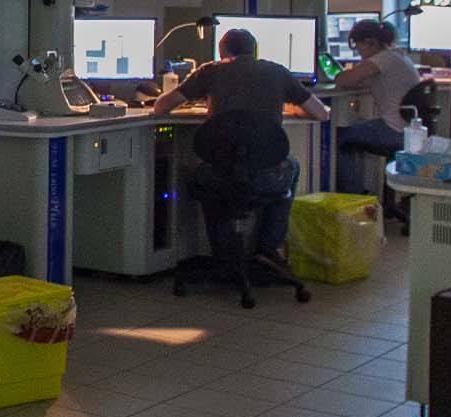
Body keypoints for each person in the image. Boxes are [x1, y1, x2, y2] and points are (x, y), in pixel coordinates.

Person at [155, 28, 330, 262]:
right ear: (254, 51)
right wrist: (291, 107)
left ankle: (221, 255)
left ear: (222, 52)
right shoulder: (277, 72)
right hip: (268, 177)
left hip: (217, 176)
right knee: (292, 167)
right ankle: (268, 250)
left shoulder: (210, 71)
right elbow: (321, 113)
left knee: (203, 177)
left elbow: (161, 107)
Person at [326, 18, 424, 196]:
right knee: (355, 132)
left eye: (358, 47)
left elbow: (343, 80)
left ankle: (352, 194)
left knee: (337, 137)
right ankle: (357, 192)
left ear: (369, 42)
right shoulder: (398, 56)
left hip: (394, 130)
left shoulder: (381, 59)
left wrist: (338, 72)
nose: (359, 53)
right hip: (408, 131)